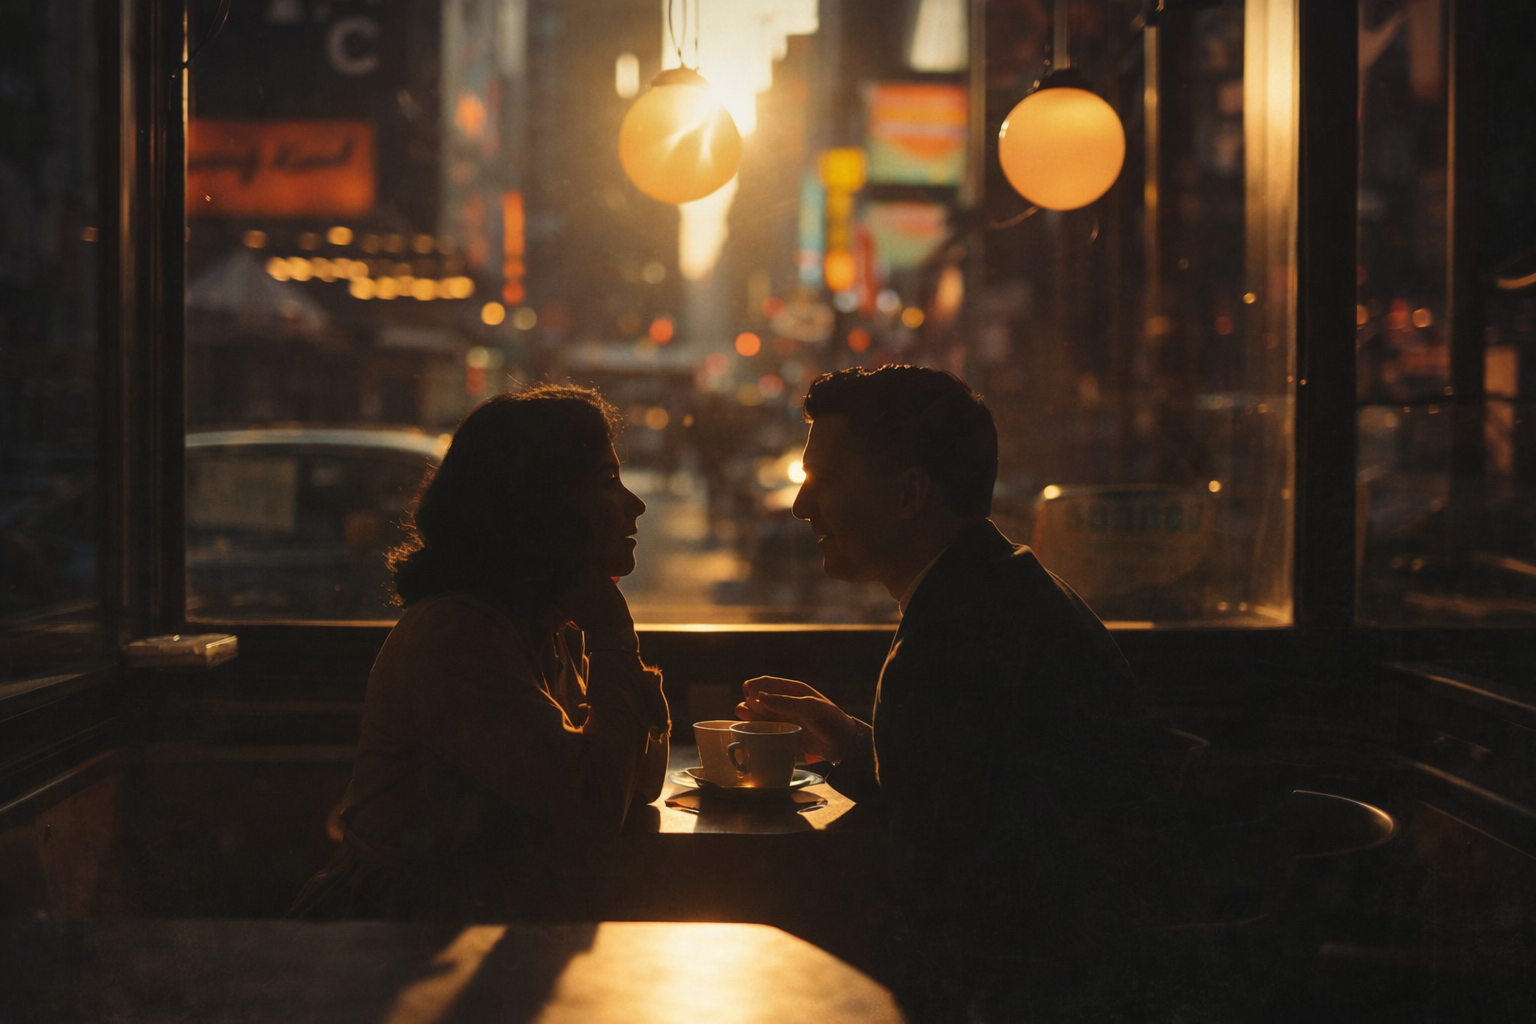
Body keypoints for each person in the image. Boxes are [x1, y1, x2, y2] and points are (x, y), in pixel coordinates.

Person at [736, 366, 1175, 1018]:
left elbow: (937, 895)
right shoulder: (1005, 592)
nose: (803, 507)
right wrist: (860, 743)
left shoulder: (950, 643)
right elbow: (980, 806)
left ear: (911, 492)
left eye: (823, 483)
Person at [290, 384, 668, 921]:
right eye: (607, 481)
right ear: (538, 503)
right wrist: (613, 636)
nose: (635, 504)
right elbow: (594, 808)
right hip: (391, 942)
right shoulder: (456, 638)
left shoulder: (537, 623)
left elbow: (637, 783)